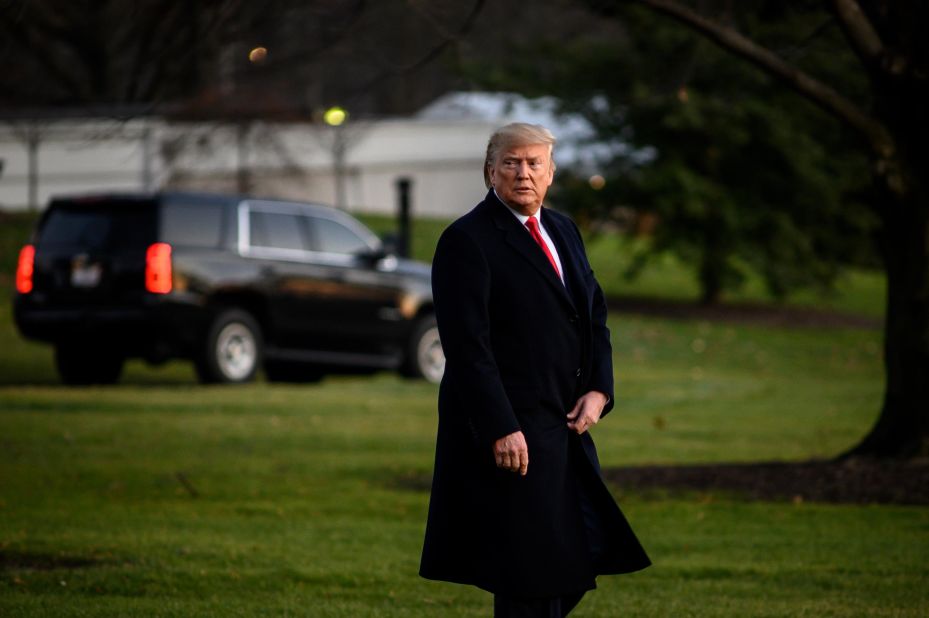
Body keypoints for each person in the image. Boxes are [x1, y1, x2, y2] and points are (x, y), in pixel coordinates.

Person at [420, 123, 651, 617]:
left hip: (563, 425)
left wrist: (599, 389)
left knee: (570, 557)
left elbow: (593, 313)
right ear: (490, 172)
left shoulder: (564, 229)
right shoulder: (466, 240)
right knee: (530, 572)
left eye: (533, 163)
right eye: (511, 163)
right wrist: (501, 427)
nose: (523, 174)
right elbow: (468, 348)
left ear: (550, 173)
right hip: (513, 432)